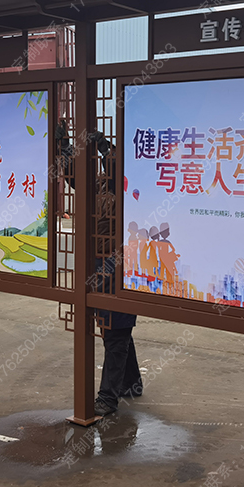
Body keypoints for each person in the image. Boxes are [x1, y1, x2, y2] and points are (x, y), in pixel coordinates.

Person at [55, 122, 142, 416]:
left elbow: (118, 173)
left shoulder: (126, 186)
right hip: (96, 260)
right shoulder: (99, 185)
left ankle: (107, 397)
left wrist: (106, 150)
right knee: (111, 328)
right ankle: (131, 382)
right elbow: (75, 179)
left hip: (119, 262)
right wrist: (65, 147)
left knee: (116, 329)